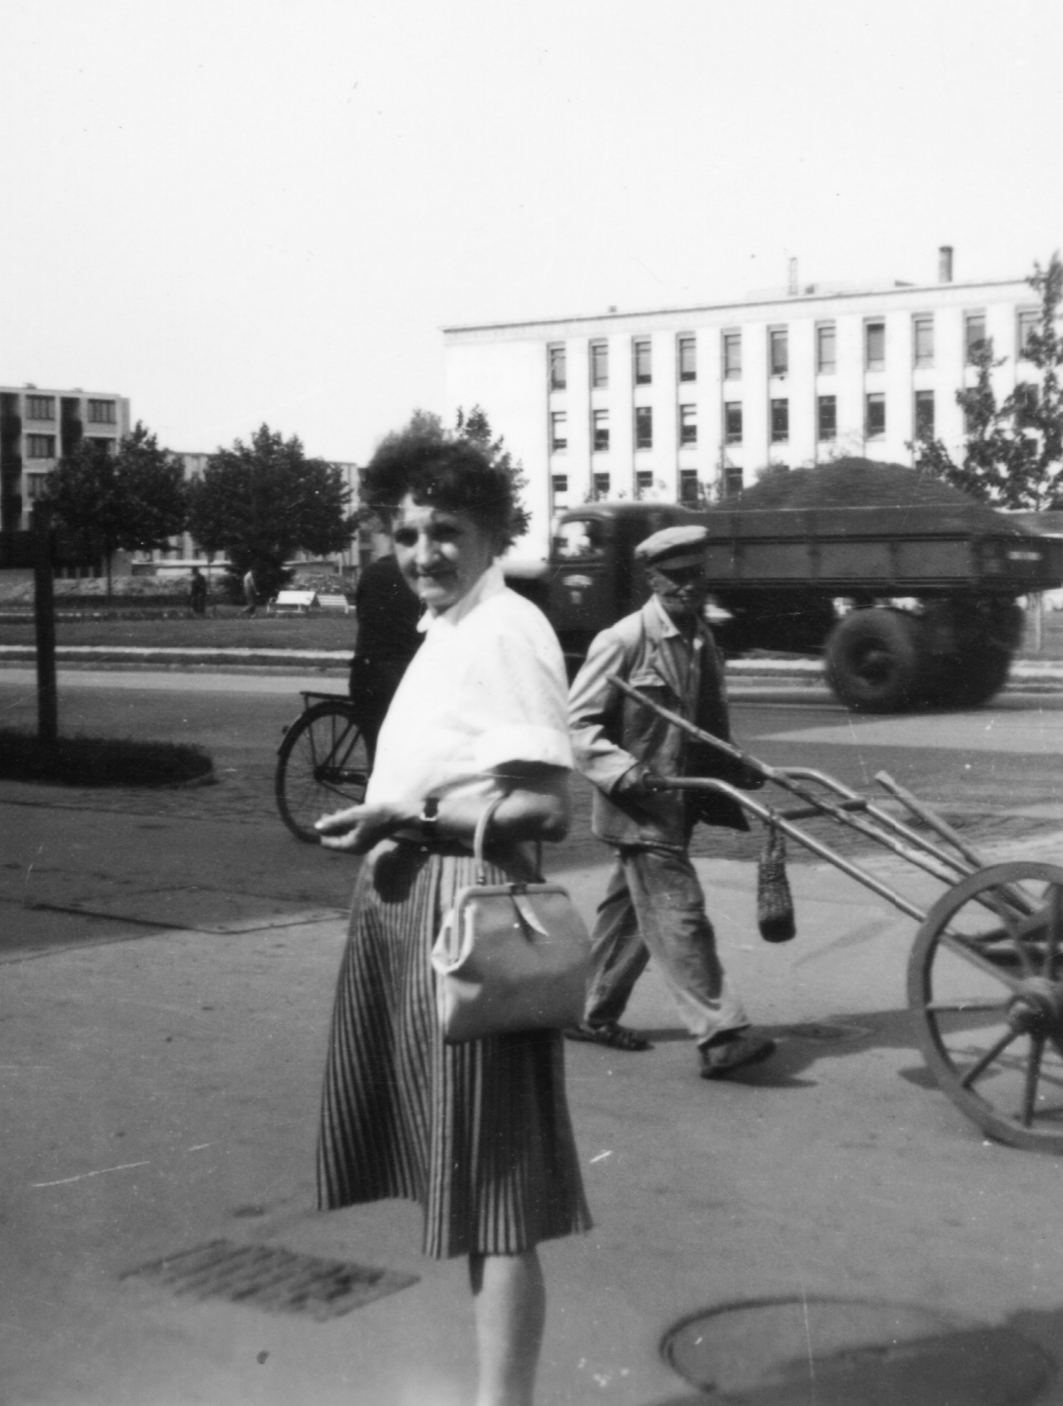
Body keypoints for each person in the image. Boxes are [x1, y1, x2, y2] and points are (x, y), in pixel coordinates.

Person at [313, 426, 589, 1406]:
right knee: (474, 1187)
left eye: (447, 530)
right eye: (406, 532)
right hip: (423, 911)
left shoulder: (506, 628)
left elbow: (552, 807)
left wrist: (407, 816)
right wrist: (397, 823)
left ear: (495, 531)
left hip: (468, 920)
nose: (424, 551)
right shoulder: (450, 629)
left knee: (496, 1193)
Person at [567, 524, 777, 1079]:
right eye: (676, 579)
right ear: (653, 580)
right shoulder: (624, 640)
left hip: (678, 802)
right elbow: (579, 729)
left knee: (635, 914)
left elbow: (705, 724)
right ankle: (720, 1034)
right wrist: (626, 771)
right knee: (679, 912)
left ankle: (589, 1010)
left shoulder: (701, 639)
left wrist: (737, 767)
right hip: (638, 806)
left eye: (696, 577)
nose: (689, 589)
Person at [348, 550, 423, 758]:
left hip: (364, 672)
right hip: (399, 675)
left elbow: (361, 613)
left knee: (378, 751)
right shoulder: (420, 576)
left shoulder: (371, 571)